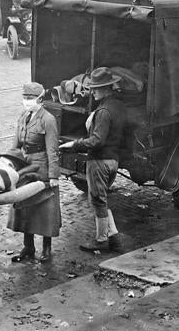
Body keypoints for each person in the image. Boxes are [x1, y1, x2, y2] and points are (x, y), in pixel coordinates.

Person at [59, 67, 127, 253]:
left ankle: (101, 240)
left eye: (96, 88)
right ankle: (114, 239)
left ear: (106, 89)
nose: (92, 92)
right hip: (113, 160)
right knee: (102, 200)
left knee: (97, 201)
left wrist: (74, 145)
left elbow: (97, 141)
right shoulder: (118, 105)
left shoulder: (104, 111)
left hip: (99, 162)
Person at [7, 82, 61, 263]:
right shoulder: (23, 117)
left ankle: (46, 248)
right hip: (25, 166)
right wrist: (8, 163)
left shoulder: (48, 120)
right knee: (25, 207)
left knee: (45, 210)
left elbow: (52, 149)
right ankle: (28, 247)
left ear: (40, 99)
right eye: (24, 98)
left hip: (42, 168)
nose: (26, 101)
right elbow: (15, 146)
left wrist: (53, 175)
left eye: (30, 99)